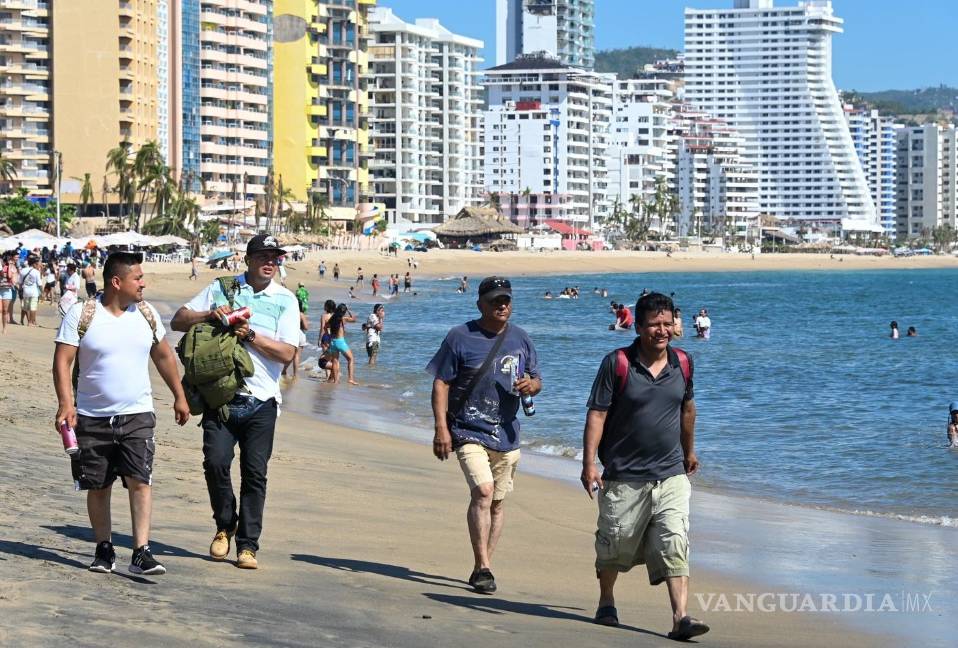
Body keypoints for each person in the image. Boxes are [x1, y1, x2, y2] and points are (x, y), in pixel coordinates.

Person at [53, 252, 190, 575]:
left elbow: (164, 356)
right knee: (98, 485)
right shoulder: (82, 314)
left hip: (137, 414)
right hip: (91, 415)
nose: (143, 283)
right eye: (137, 278)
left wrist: (179, 396)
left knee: (140, 480)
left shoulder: (146, 313)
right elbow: (62, 361)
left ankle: (141, 551)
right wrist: (66, 403)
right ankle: (104, 548)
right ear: (117, 282)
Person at [581, 292, 708, 640]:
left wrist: (689, 451)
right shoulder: (617, 363)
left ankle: (680, 617)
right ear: (638, 327)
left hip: (670, 473)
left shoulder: (683, 362)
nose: (662, 330)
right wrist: (589, 463)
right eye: (654, 324)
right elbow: (597, 414)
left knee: (674, 540)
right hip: (624, 475)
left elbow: (688, 409)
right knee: (615, 544)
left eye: (667, 324)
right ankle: (607, 600)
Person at [171, 234, 300, 570]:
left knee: (255, 474)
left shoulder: (286, 300)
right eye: (263, 256)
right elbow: (178, 320)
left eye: (275, 257)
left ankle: (248, 546)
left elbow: (287, 353)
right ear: (248, 259)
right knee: (215, 463)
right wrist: (210, 315)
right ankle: (224, 525)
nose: (270, 262)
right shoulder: (222, 287)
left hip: (263, 401)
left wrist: (251, 336)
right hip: (220, 396)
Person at [427, 276, 541, 595]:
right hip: (467, 429)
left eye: (506, 300)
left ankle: (482, 565)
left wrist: (532, 386)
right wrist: (440, 428)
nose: (502, 305)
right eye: (495, 301)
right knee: (483, 491)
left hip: (507, 434)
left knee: (497, 504)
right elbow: (441, 383)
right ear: (480, 304)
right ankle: (483, 567)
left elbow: (536, 379)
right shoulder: (459, 337)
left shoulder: (521, 338)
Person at [325, 303, 358, 385]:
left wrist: (329, 335)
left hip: (333, 342)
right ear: (344, 311)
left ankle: (336, 381)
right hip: (340, 342)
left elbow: (326, 327)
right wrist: (349, 310)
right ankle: (350, 379)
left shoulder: (332, 319)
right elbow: (354, 319)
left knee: (335, 361)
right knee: (350, 359)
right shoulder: (343, 319)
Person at [19, 256, 42, 327]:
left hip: (25, 291)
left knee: (26, 307)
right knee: (33, 307)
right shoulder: (36, 272)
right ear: (34, 264)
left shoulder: (23, 270)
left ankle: (27, 321)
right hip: (34, 292)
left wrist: (20, 291)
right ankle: (31, 322)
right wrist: (42, 293)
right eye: (38, 263)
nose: (39, 265)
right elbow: (40, 284)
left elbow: (20, 283)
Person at [0, 254, 18, 334]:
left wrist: (10, 267)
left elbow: (12, 278)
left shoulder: (12, 268)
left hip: (7, 290)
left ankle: (4, 328)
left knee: (5, 310)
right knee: (0, 310)